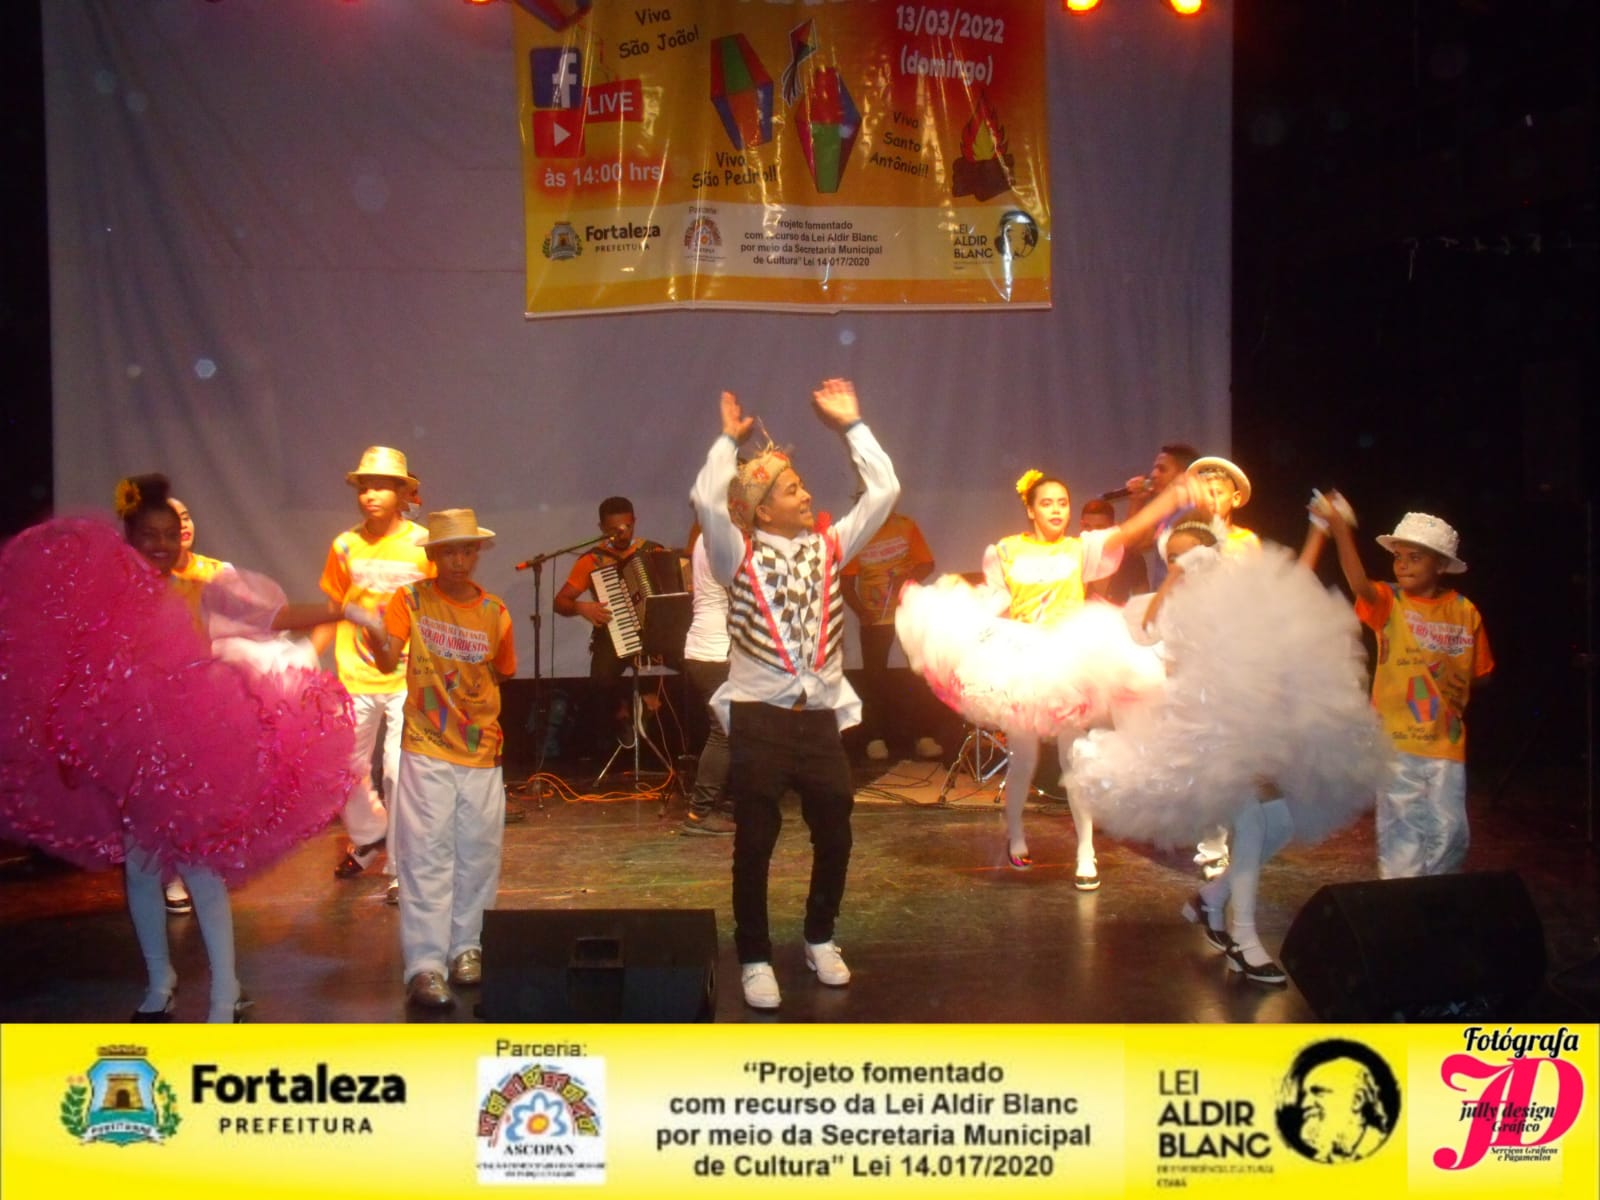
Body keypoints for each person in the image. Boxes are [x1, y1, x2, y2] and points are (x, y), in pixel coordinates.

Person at [0, 474, 359, 1021]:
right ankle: (159, 980)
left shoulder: (198, 590)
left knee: (200, 868)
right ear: (129, 537)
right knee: (142, 870)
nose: (162, 544)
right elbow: (77, 667)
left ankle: (224, 992)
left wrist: (343, 612)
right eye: (150, 534)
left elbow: (275, 616)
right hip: (132, 753)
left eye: (170, 534)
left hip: (192, 751)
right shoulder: (109, 600)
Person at [1069, 510, 1386, 985]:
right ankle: (1244, 937)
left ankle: (1213, 897)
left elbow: (1290, 589)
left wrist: (1318, 533)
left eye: (1192, 554)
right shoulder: (1162, 603)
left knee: (1284, 818)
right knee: (1251, 820)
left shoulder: (1238, 599)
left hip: (1247, 723)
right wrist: (1177, 573)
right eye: (1172, 558)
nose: (1183, 563)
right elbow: (1147, 629)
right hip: (1199, 732)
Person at [690, 380, 897, 1010]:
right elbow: (706, 499)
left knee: (836, 832)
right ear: (761, 510)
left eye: (803, 486)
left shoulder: (830, 547)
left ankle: (820, 936)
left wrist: (853, 426)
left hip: (819, 717)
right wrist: (726, 442)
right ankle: (754, 956)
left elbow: (884, 490)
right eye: (791, 490)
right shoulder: (735, 553)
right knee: (755, 840)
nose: (806, 496)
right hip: (760, 718)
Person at [971, 467, 1191, 888]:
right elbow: (996, 599)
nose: (1056, 510)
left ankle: (1085, 850)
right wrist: (971, 626)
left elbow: (1128, 532)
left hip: (1068, 661)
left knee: (1075, 758)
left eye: (1062, 503)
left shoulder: (1079, 549)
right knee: (1024, 757)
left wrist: (1170, 497)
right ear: (1031, 510)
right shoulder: (1006, 551)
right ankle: (1015, 834)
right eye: (1046, 503)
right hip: (1024, 661)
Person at [367, 508, 516, 1010]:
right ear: (432, 555)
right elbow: (388, 659)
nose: (459, 560)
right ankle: (425, 965)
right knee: (426, 854)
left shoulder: (494, 611)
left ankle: (468, 947)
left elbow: (503, 671)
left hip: (480, 748)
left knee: (478, 853)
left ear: (477, 553)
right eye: (449, 551)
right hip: (427, 745)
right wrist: (371, 631)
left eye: (467, 550)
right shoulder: (411, 600)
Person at [1319, 496, 1493, 877]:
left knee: (1449, 828)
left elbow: (1481, 672)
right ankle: (1401, 894)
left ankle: (1437, 894)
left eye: (1415, 557)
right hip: (1396, 740)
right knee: (1402, 824)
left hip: (1445, 741)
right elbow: (1359, 584)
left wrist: (1449, 686)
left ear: (1441, 565)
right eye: (1398, 557)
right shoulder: (1390, 601)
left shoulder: (1465, 611)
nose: (1403, 564)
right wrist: (1341, 530)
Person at [316, 446, 433, 893]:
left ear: (403, 493)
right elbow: (333, 606)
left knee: (399, 772)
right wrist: (308, 657)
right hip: (355, 673)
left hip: (409, 674)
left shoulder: (423, 544)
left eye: (382, 486)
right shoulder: (345, 545)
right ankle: (370, 834)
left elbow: (438, 607)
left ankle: (402, 867)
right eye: (365, 487)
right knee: (342, 767)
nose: (371, 495)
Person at [553, 496, 667, 756]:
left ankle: (676, 737)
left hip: (653, 631)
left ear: (634, 522)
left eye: (627, 527)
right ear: (602, 528)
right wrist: (582, 607)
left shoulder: (654, 551)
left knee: (691, 664)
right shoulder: (592, 560)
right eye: (614, 530)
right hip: (613, 632)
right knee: (600, 680)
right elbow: (560, 601)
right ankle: (625, 710)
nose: (622, 534)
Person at [840, 506, 941, 763]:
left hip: (907, 610)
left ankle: (924, 736)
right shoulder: (858, 532)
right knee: (873, 678)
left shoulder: (905, 526)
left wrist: (908, 576)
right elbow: (846, 582)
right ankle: (874, 738)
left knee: (919, 673)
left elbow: (927, 563)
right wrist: (861, 612)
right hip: (874, 616)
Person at [680, 521, 736, 835]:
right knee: (723, 733)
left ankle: (725, 801)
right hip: (716, 651)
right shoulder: (724, 541)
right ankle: (699, 814)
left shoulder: (709, 535)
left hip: (708, 648)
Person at [1276, 1041, 1398, 1163]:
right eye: (1304, 1095)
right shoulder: (1320, 1159)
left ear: (1357, 1100)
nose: (1304, 1104)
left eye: (1318, 1092)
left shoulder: (1392, 1154)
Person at [1120, 441, 1199, 588]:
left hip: (1188, 596)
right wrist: (1137, 501)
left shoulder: (1196, 512)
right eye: (1154, 468)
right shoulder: (1165, 513)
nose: (1153, 474)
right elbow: (1133, 545)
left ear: (1184, 474)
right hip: (1163, 598)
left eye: (1162, 469)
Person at [1080, 498, 1148, 604]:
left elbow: (1143, 602)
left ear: (1113, 528)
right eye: (1087, 527)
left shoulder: (1132, 559)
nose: (1093, 533)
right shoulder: (1073, 557)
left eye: (1099, 528)